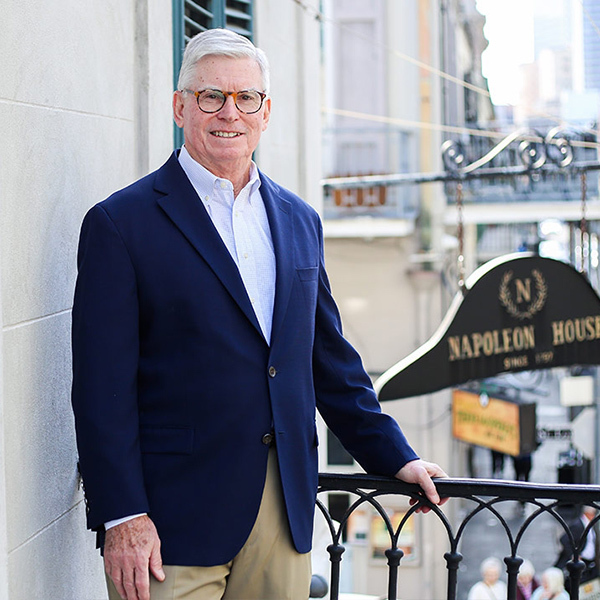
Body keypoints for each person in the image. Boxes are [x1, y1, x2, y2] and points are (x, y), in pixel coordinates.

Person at [70, 28, 447, 600]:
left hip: (281, 515)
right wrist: (122, 516)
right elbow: (101, 390)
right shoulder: (121, 225)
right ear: (179, 107)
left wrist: (395, 455)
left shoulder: (299, 221)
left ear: (266, 112)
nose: (230, 112)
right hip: (169, 524)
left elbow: (329, 361)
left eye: (246, 98)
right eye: (210, 96)